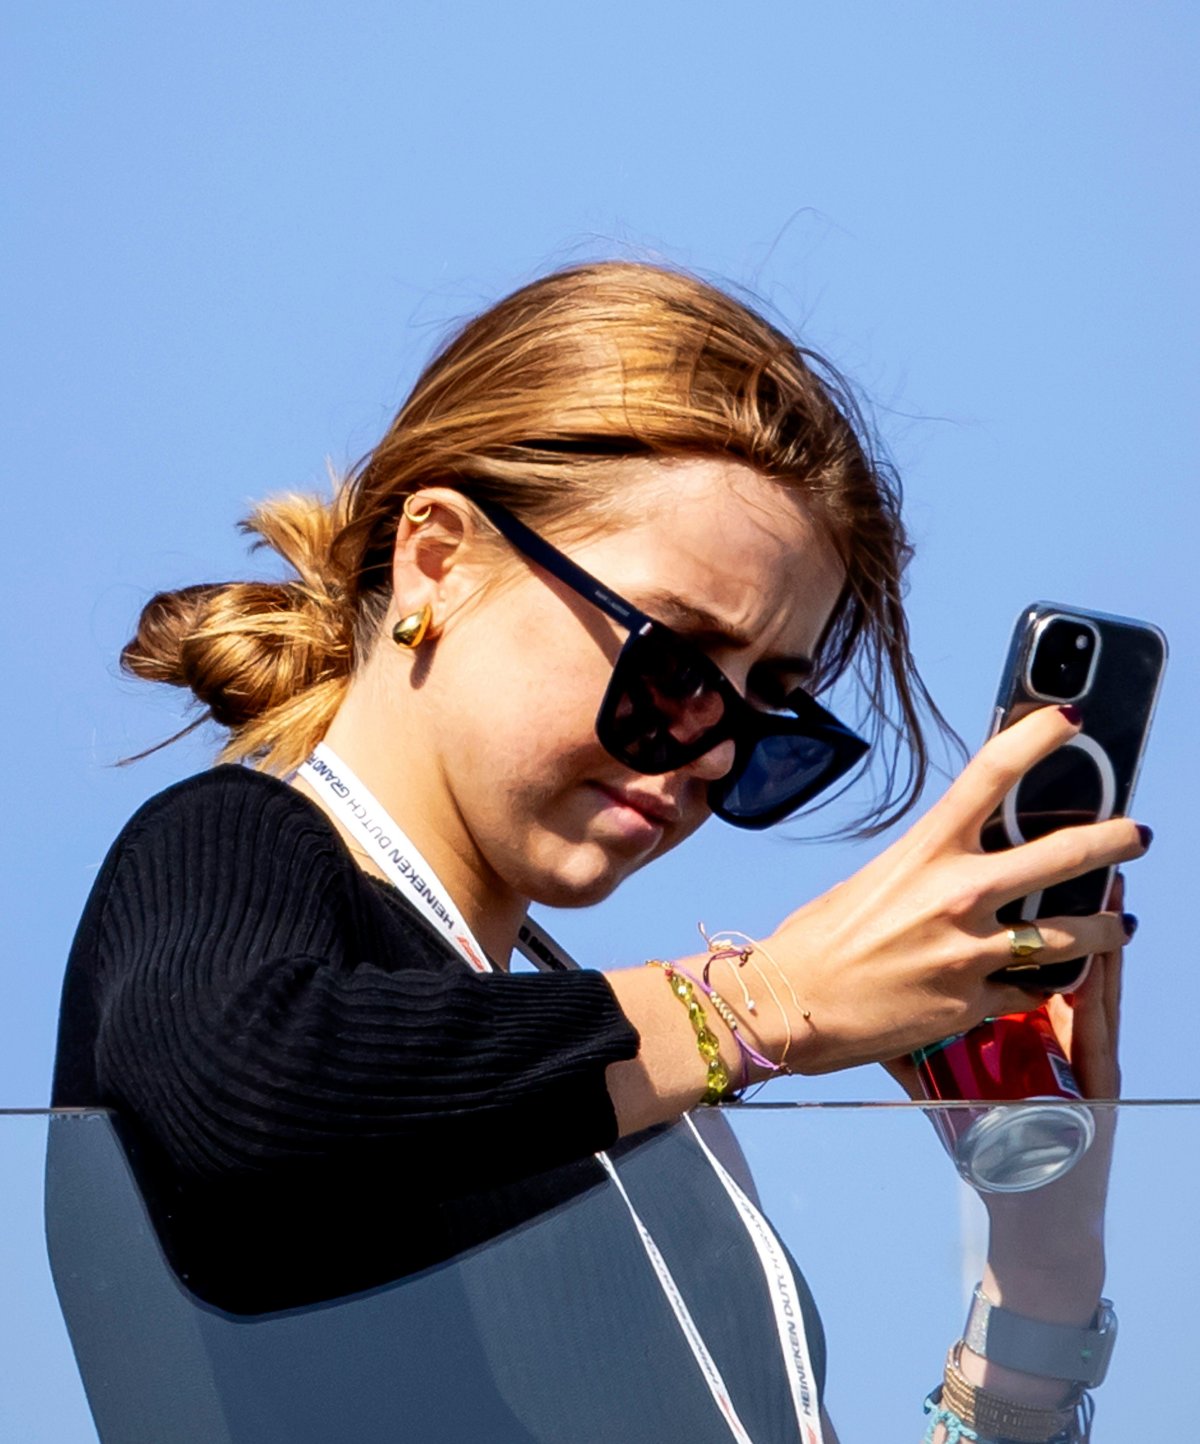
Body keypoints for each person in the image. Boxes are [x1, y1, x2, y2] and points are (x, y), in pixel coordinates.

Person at [52, 262, 1143, 1442]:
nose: (713, 752)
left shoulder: (607, 1078)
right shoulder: (233, 838)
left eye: (767, 713)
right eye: (673, 664)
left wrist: (1037, 1284)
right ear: (438, 560)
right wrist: (764, 1003)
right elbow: (254, 1098)